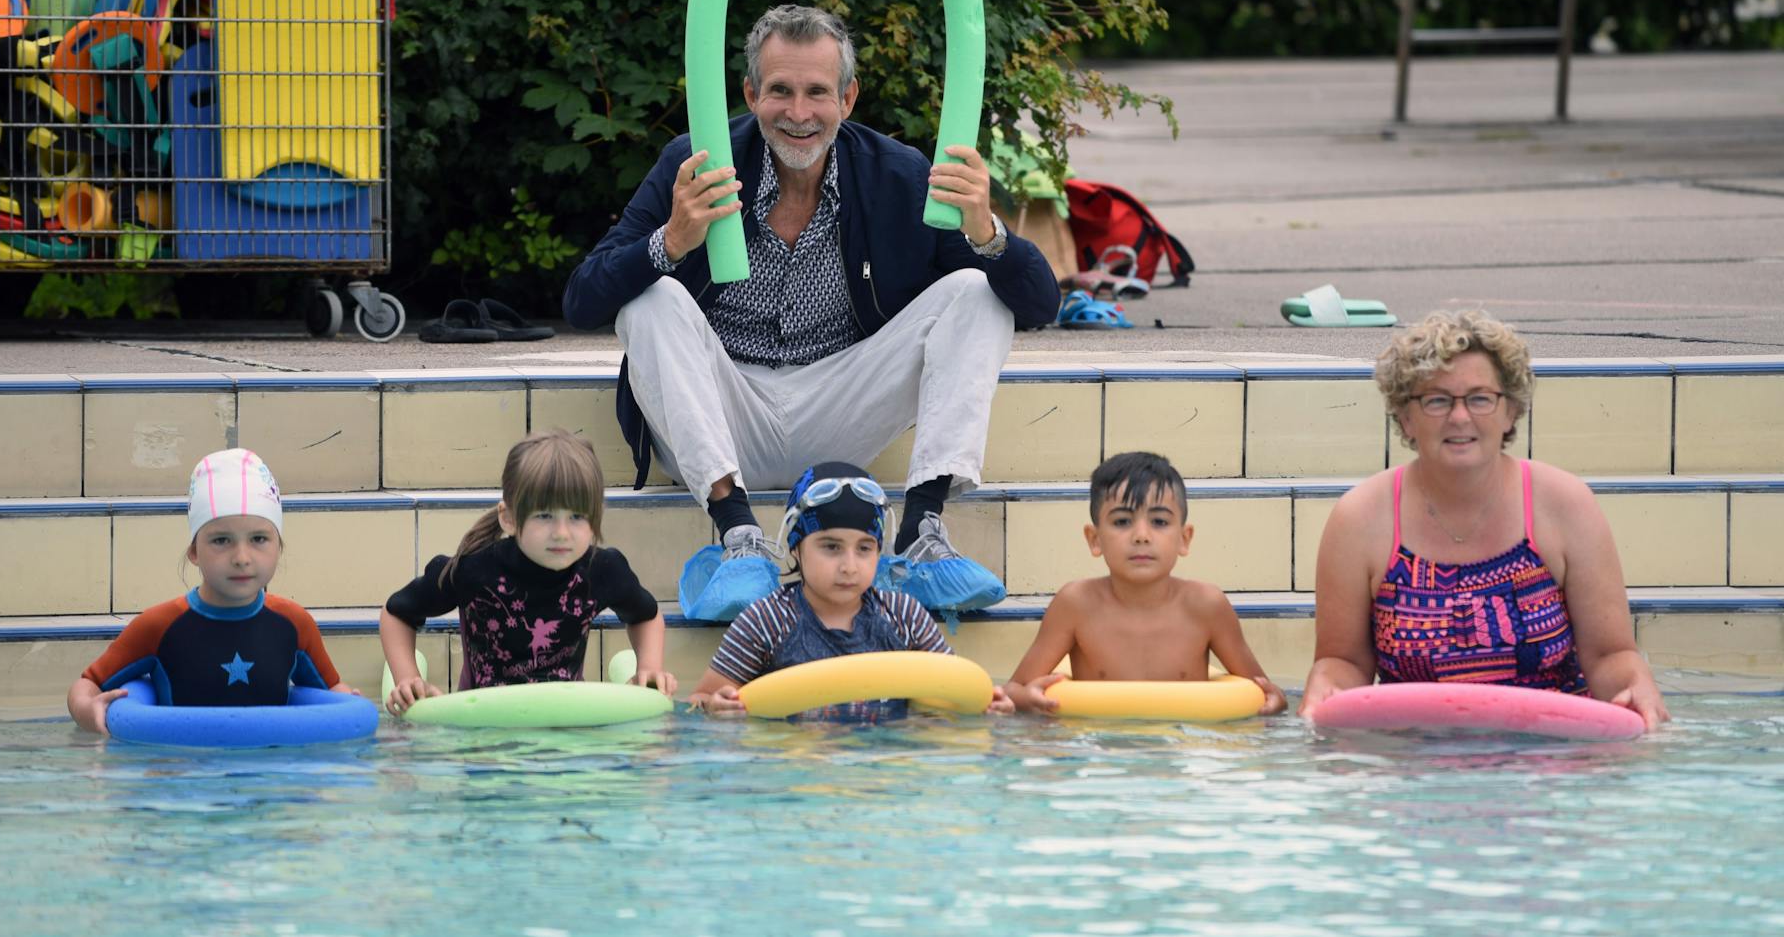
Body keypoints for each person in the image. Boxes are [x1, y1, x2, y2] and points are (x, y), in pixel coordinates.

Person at [562, 4, 1060, 608]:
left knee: (977, 292)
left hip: (839, 410)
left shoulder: (897, 176)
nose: (798, 114)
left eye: (817, 92)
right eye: (780, 91)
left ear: (848, 99)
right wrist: (669, 242)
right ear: (750, 93)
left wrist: (988, 234)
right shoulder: (695, 163)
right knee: (652, 298)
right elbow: (582, 299)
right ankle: (739, 539)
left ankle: (923, 534)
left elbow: (1038, 303)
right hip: (722, 412)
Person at [1299, 310, 1668, 727]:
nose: (1460, 417)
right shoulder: (1360, 518)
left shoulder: (1564, 504)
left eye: (1480, 398)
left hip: (1551, 758)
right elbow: (1342, 661)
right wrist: (1325, 688)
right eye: (1437, 400)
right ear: (1405, 417)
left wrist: (1636, 687)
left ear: (1510, 410)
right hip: (1412, 762)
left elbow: (1609, 656)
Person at [687, 461, 1014, 720]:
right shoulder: (766, 620)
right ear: (795, 548)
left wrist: (987, 705)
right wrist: (717, 707)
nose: (849, 565)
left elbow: (951, 689)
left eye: (864, 548)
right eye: (831, 547)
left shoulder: (903, 616)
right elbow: (701, 699)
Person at [380, 430, 676, 714]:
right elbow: (397, 614)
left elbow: (645, 616)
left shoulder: (601, 570)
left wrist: (648, 668)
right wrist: (408, 678)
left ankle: (623, 665)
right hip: (483, 719)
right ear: (509, 518)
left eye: (576, 516)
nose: (561, 533)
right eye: (544, 516)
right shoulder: (474, 570)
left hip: (565, 716)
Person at [67, 448, 358, 733]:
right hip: (184, 772)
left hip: (270, 775)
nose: (242, 557)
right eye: (221, 540)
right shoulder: (159, 626)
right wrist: (85, 710)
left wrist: (350, 705)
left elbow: (331, 691)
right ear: (194, 551)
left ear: (278, 547)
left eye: (259, 538)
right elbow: (88, 683)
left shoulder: (294, 624)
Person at [1003, 452, 1288, 714]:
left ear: (1184, 539)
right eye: (1123, 522)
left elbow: (1264, 691)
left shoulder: (1205, 606)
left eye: (1160, 522)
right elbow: (1013, 690)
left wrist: (1274, 702)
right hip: (1097, 750)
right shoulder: (1076, 605)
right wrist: (1028, 701)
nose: (1141, 535)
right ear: (1095, 539)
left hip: (1183, 747)